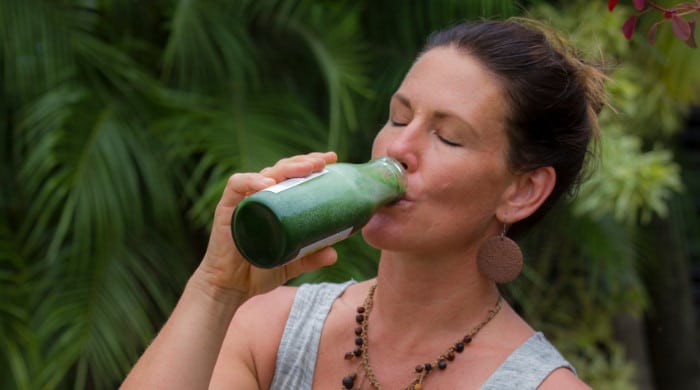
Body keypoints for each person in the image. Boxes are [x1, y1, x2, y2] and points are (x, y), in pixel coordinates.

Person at [122, 18, 606, 390]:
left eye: (448, 137)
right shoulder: (271, 329)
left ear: (521, 192)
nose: (398, 148)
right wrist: (216, 289)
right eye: (399, 118)